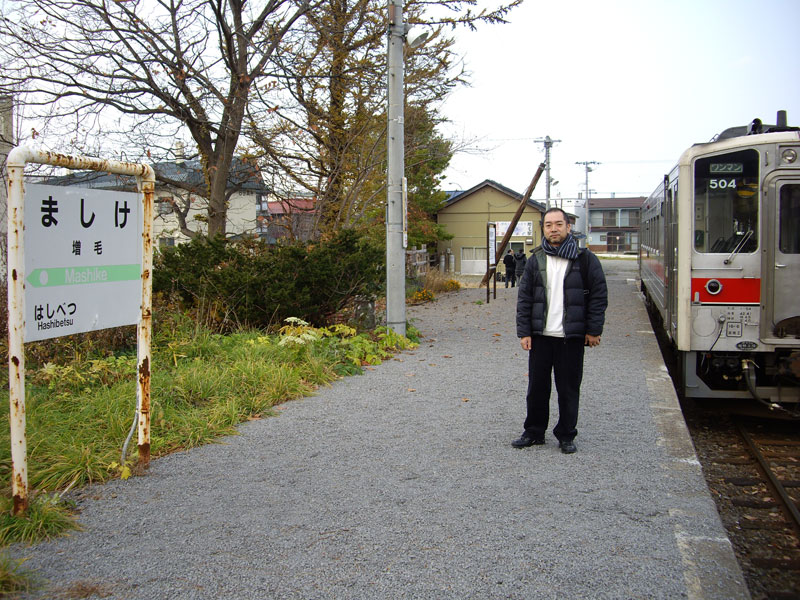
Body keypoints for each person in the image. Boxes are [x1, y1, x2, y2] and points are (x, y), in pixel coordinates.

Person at [512, 207, 608, 454]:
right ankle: (534, 432)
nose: (553, 229)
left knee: (568, 389)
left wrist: (594, 329)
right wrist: (524, 332)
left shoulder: (585, 259)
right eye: (548, 225)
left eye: (558, 224)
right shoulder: (536, 260)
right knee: (537, 389)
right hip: (541, 336)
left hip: (571, 337)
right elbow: (524, 299)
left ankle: (566, 434)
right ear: (543, 228)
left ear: (568, 227)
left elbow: (598, 296)